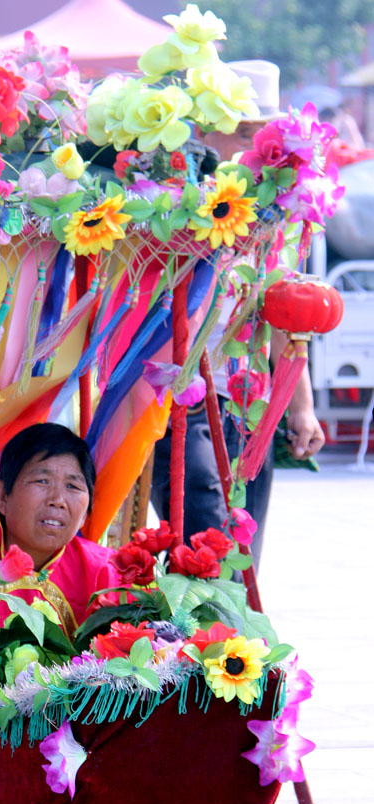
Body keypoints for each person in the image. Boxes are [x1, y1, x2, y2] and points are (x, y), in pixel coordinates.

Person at [151, 60, 325, 566]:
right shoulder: (174, 209)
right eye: (240, 132)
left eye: (260, 134)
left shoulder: (277, 220)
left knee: (245, 544)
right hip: (177, 394)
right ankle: (204, 638)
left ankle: (238, 642)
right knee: (204, 528)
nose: (251, 148)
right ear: (203, 134)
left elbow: (281, 319)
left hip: (248, 403)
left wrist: (300, 407)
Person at [0, 422, 118, 633]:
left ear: (86, 512)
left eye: (73, 486)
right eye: (42, 481)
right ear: (2, 496)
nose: (58, 500)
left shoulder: (103, 572)